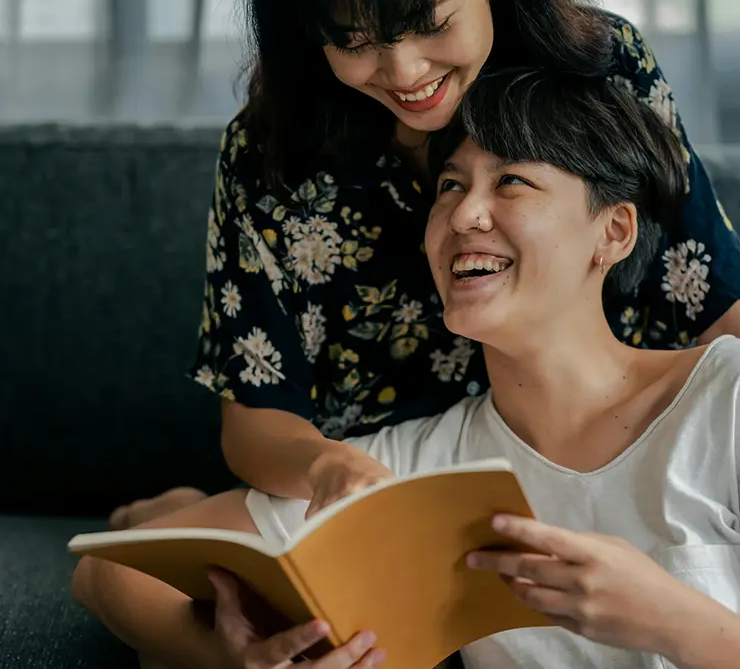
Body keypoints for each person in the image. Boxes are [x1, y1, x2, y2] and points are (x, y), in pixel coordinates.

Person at [110, 0, 740, 534]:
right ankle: (179, 512)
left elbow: (710, 296)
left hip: (599, 452)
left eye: (433, 22)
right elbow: (260, 415)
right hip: (384, 487)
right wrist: (325, 469)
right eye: (355, 39)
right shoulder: (273, 155)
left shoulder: (595, 71)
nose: (405, 73)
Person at [74, 69, 740, 669]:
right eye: (450, 185)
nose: (464, 214)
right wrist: (223, 654)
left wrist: (674, 620)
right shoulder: (420, 471)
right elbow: (107, 570)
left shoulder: (725, 399)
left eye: (511, 180)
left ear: (614, 232)